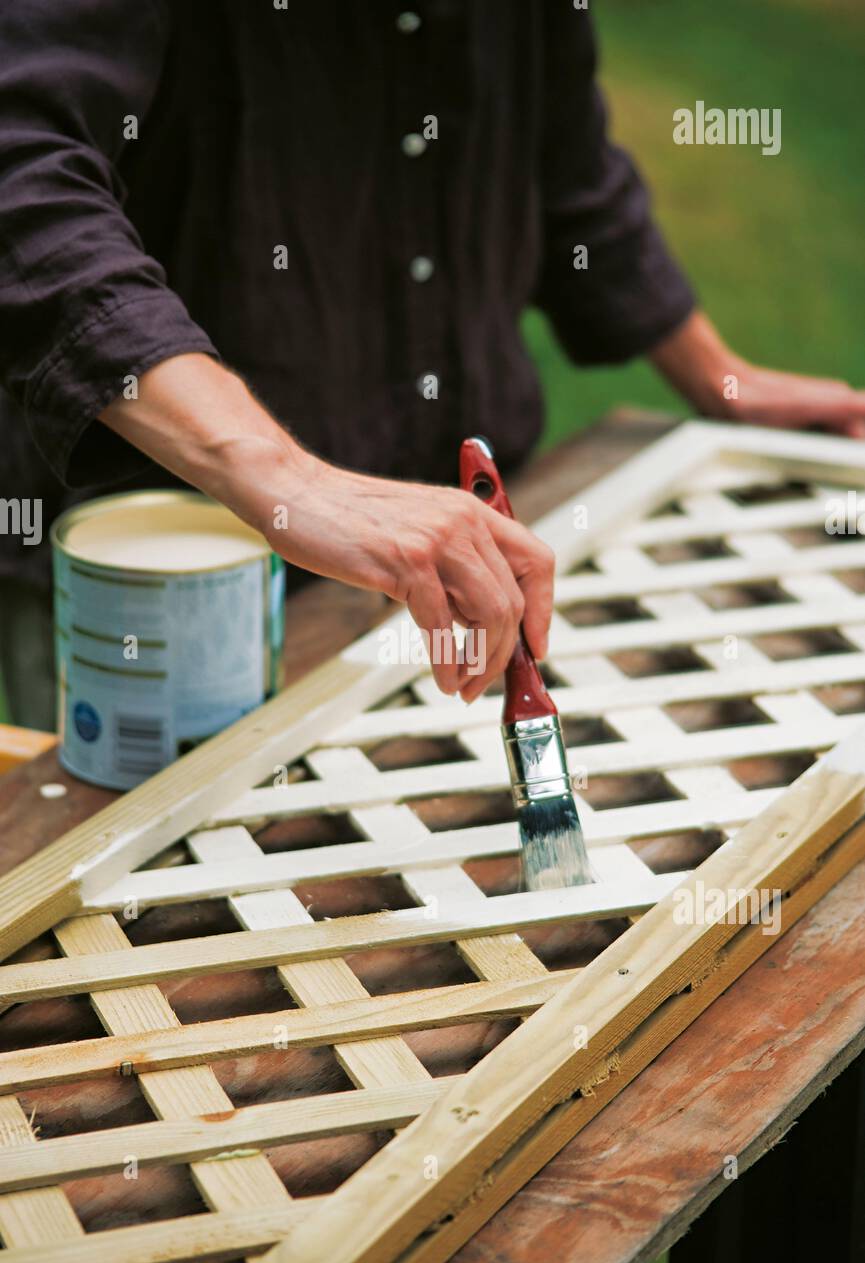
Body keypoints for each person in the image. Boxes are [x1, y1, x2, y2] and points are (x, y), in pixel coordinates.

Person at [1, 2, 863, 731]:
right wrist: (285, 479)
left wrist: (717, 375)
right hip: (155, 567)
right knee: (135, 859)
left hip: (465, 553)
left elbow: (559, 151)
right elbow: (23, 176)